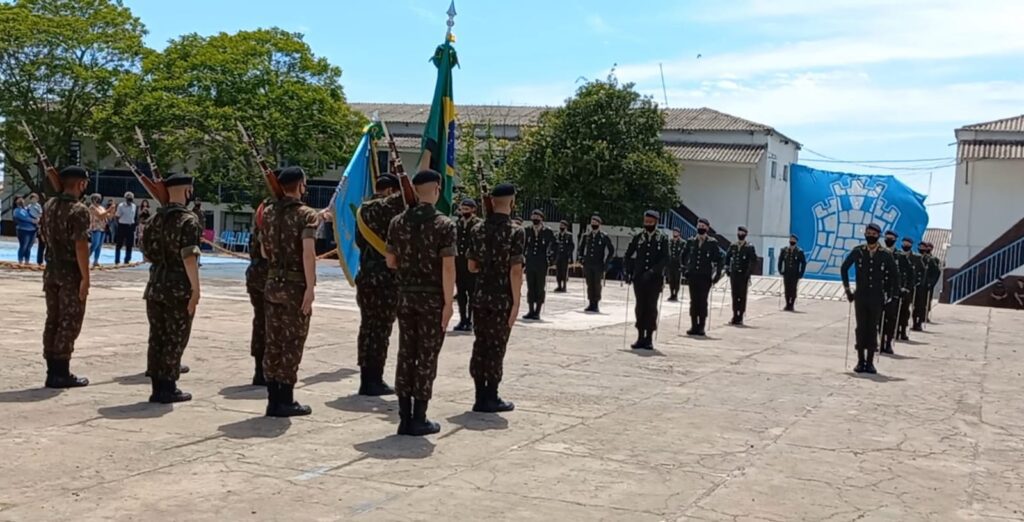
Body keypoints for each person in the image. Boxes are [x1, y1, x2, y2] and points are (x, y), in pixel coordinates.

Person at [386, 169, 457, 436]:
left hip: (405, 296)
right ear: (437, 189)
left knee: (406, 353)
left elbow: (390, 261)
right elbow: (448, 268)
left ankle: (404, 416)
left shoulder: (397, 222)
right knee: (426, 356)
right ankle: (420, 416)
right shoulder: (444, 224)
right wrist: (449, 303)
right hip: (432, 298)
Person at [261, 167, 319, 417]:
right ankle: (285, 399)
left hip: (272, 282)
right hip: (295, 285)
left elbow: (264, 251)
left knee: (273, 340)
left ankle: (273, 398)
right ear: (301, 185)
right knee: (293, 341)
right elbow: (308, 252)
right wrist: (310, 286)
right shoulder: (306, 215)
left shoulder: (270, 212)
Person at [141, 173, 202, 403]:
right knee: (175, 337)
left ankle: (157, 385)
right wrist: (196, 289)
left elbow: (147, 254)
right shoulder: (188, 220)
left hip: (155, 283)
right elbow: (189, 258)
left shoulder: (155, 219)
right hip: (178, 286)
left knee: (157, 336)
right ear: (187, 191)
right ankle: (168, 387)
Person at [467, 183, 524, 412]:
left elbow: (471, 266)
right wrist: (517, 302)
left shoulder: (477, 229)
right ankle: (491, 395)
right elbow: (516, 270)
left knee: (481, 344)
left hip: (480, 296)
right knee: (496, 346)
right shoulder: (516, 231)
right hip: (502, 299)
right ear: (512, 201)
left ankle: (480, 394)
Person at [38, 167, 92, 388]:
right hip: (70, 272)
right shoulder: (79, 210)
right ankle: (61, 372)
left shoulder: (49, 205)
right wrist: (85, 278)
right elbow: (81, 246)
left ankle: (52, 369)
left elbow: (42, 232)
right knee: (69, 321)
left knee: (53, 319)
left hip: (51, 269)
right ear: (81, 184)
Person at [354, 173, 405, 396]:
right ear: (390, 190)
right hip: (385, 279)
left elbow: (358, 241)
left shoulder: (363, 210)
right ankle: (374, 379)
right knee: (381, 329)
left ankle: (366, 377)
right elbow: (405, 196)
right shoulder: (387, 208)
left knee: (367, 327)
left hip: (365, 276)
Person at [840, 223, 900, 374]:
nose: (870, 236)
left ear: (878, 236)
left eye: (874, 234)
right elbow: (844, 268)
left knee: (873, 328)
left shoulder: (885, 254)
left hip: (877, 297)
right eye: (868, 233)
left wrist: (892, 296)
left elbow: (895, 275)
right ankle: (860, 361)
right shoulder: (858, 251)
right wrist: (848, 290)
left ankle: (870, 362)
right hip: (860, 296)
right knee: (861, 328)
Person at [623, 211, 669, 350]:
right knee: (640, 307)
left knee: (651, 307)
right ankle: (640, 336)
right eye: (646, 221)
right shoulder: (638, 237)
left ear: (656, 222)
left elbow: (665, 258)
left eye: (650, 222)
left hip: (654, 279)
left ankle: (649, 337)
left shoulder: (662, 238)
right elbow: (628, 254)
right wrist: (628, 272)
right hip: (639, 279)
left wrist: (653, 271)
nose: (647, 224)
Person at [246, 197, 272, 387]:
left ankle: (259, 370)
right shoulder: (269, 224)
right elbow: (267, 253)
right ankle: (264, 371)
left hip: (254, 274)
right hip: (265, 275)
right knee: (270, 324)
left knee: (260, 321)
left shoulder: (259, 221)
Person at [683, 218, 723, 336]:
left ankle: (701, 326)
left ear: (707, 228)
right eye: (699, 225)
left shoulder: (712, 242)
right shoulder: (691, 241)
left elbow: (719, 259)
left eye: (703, 226)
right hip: (693, 276)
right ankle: (693, 325)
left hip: (705, 277)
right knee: (693, 301)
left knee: (702, 301)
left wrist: (717, 274)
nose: (701, 227)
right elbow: (684, 255)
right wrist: (685, 268)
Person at [453, 198, 482, 332]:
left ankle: (470, 320)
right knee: (461, 293)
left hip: (471, 264)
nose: (464, 211)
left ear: (473, 210)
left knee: (472, 294)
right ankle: (462, 318)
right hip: (459, 264)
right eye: (462, 209)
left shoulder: (478, 224)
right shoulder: (457, 223)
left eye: (467, 209)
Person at [522, 209, 555, 320]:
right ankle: (530, 310)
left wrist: (552, 258)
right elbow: (523, 245)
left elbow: (555, 245)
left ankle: (538, 311)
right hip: (530, 262)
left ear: (541, 218)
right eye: (533, 216)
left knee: (540, 287)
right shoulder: (527, 230)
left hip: (541, 263)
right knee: (530, 286)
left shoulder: (547, 231)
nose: (535, 219)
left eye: (537, 217)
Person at [578, 214, 615, 313]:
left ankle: (596, 304)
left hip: (598, 264)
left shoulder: (603, 236)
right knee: (589, 283)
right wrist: (581, 258)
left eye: (595, 223)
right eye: (592, 223)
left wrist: (606, 262)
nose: (593, 224)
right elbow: (580, 248)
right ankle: (590, 303)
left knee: (597, 284)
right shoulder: (586, 236)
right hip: (588, 264)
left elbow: (611, 250)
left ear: (599, 224)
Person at [877, 231, 906, 354]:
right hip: (879, 292)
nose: (889, 240)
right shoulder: (879, 253)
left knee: (890, 319)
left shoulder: (900, 256)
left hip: (893, 292)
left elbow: (905, 274)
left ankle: (888, 343)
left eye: (891, 238)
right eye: (887, 238)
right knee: (878, 320)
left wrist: (902, 289)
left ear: (895, 240)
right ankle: (879, 341)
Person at [724, 226, 757, 325]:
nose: (740, 234)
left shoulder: (749, 247)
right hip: (734, 274)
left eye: (742, 233)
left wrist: (749, 272)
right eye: (739, 232)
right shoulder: (733, 245)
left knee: (742, 296)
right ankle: (734, 315)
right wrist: (727, 268)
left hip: (743, 275)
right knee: (735, 295)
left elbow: (753, 260)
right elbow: (727, 256)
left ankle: (740, 315)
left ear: (745, 234)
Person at [912, 241, 941, 331]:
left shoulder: (931, 260)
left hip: (924, 287)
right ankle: (914, 322)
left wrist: (930, 283)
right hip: (915, 286)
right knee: (914, 305)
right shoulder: (915, 258)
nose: (921, 249)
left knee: (922, 305)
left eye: (923, 247)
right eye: (920, 247)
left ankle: (919, 322)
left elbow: (937, 272)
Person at [895, 237, 919, 341]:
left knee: (905, 311)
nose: (905, 245)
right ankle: (895, 331)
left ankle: (903, 330)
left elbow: (913, 274)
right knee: (894, 311)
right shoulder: (897, 255)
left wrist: (910, 287)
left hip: (907, 289)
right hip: (896, 288)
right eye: (904, 243)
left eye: (907, 244)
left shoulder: (915, 258)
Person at [778, 234, 806, 311]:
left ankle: (792, 304)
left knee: (793, 289)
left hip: (795, 274)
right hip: (786, 273)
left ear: (796, 241)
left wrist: (801, 273)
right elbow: (780, 261)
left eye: (793, 240)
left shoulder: (799, 251)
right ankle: (787, 304)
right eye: (791, 239)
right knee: (787, 289)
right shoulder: (784, 250)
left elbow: (803, 263)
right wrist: (780, 270)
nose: (792, 241)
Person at [88, 194, 116, 267]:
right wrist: (109, 209)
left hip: (103, 228)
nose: (98, 200)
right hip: (96, 227)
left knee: (99, 245)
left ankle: (96, 261)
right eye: (97, 198)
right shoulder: (92, 207)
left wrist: (112, 210)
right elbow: (100, 215)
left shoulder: (101, 207)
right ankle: (86, 257)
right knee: (95, 244)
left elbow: (109, 217)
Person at [114, 192, 137, 264]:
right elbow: (117, 216)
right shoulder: (121, 206)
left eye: (131, 199)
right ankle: (117, 260)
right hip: (122, 225)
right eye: (128, 199)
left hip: (130, 226)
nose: (129, 201)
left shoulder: (134, 206)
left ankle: (127, 259)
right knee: (119, 244)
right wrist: (119, 223)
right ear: (125, 199)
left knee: (129, 244)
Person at [13, 196, 37, 265]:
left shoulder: (27, 209)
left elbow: (33, 214)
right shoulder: (16, 210)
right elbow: (24, 218)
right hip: (23, 230)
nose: (22, 201)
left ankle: (27, 260)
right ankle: (20, 260)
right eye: (19, 200)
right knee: (24, 245)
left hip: (32, 230)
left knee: (29, 247)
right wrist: (33, 221)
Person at [553, 220, 575, 292]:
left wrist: (569, 254)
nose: (561, 227)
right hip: (558, 256)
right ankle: (559, 286)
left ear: (566, 227)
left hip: (565, 256)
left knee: (564, 271)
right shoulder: (557, 235)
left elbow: (571, 246)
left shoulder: (569, 235)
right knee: (558, 271)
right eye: (560, 225)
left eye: (563, 225)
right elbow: (554, 245)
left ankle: (564, 286)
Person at [666, 228, 685, 302]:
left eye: (676, 232)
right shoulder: (670, 241)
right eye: (674, 232)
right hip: (671, 263)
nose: (675, 233)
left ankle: (676, 294)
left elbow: (683, 254)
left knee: (677, 280)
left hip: (678, 264)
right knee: (671, 280)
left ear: (679, 233)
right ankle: (671, 294)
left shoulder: (682, 242)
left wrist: (682, 264)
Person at [27, 193, 45, 265]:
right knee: (40, 245)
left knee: (43, 246)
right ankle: (39, 261)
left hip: (39, 225)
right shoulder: (29, 207)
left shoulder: (39, 207)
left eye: (35, 198)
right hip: (33, 224)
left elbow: (40, 214)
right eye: (32, 198)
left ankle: (42, 260)